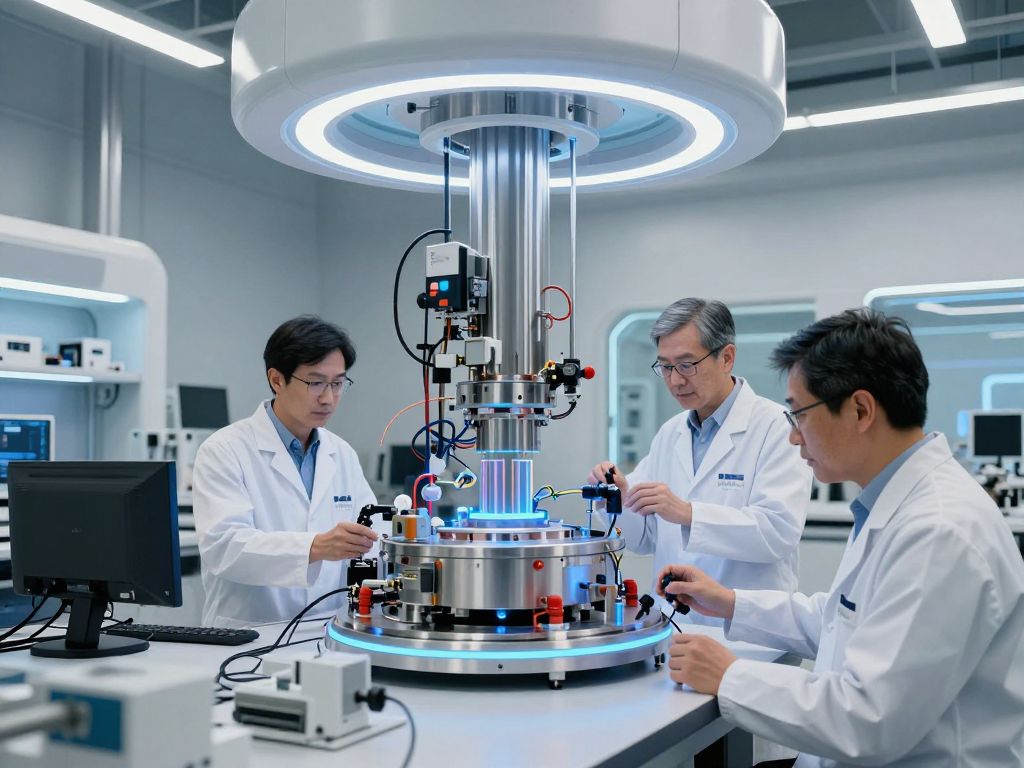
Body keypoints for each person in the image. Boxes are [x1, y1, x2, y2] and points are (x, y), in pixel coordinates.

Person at [660, 309, 1024, 767]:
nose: (793, 438)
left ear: (860, 410)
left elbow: (869, 719)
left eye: (799, 415)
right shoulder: (895, 504)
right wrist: (730, 601)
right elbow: (838, 622)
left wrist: (730, 675)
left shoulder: (938, 531)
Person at [588, 298, 811, 616]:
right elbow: (643, 538)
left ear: (727, 357)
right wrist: (617, 498)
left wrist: (688, 513)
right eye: (665, 367)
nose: (675, 380)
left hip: (751, 638)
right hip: (675, 628)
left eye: (687, 364)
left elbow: (777, 533)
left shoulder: (776, 427)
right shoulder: (671, 433)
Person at [193, 316, 381, 627]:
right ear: (277, 379)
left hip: (327, 628)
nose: (328, 398)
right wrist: (315, 547)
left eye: (338, 384)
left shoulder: (341, 453)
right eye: (316, 382)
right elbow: (224, 548)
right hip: (249, 632)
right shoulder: (224, 449)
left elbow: (372, 538)